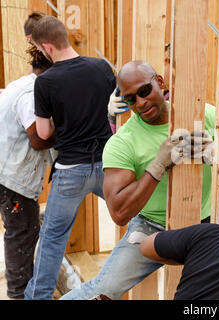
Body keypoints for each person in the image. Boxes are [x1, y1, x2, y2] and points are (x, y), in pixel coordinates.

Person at [60, 60, 215, 300]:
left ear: (160, 83)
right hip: (152, 226)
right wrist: (157, 166)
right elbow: (119, 213)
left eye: (145, 91)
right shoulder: (123, 142)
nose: (141, 103)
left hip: (207, 222)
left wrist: (218, 153)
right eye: (131, 99)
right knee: (101, 291)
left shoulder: (204, 115)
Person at [24, 16, 116, 300]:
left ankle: (36, 297)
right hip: (108, 164)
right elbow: (112, 112)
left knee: (52, 239)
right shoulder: (102, 67)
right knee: (141, 217)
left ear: (48, 47)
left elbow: (42, 132)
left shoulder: (46, 82)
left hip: (70, 171)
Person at [0, 43, 54, 300]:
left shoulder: (21, 84)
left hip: (7, 172)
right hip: (12, 179)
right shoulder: (33, 92)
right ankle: (19, 295)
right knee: (22, 232)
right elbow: (38, 139)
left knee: (23, 229)